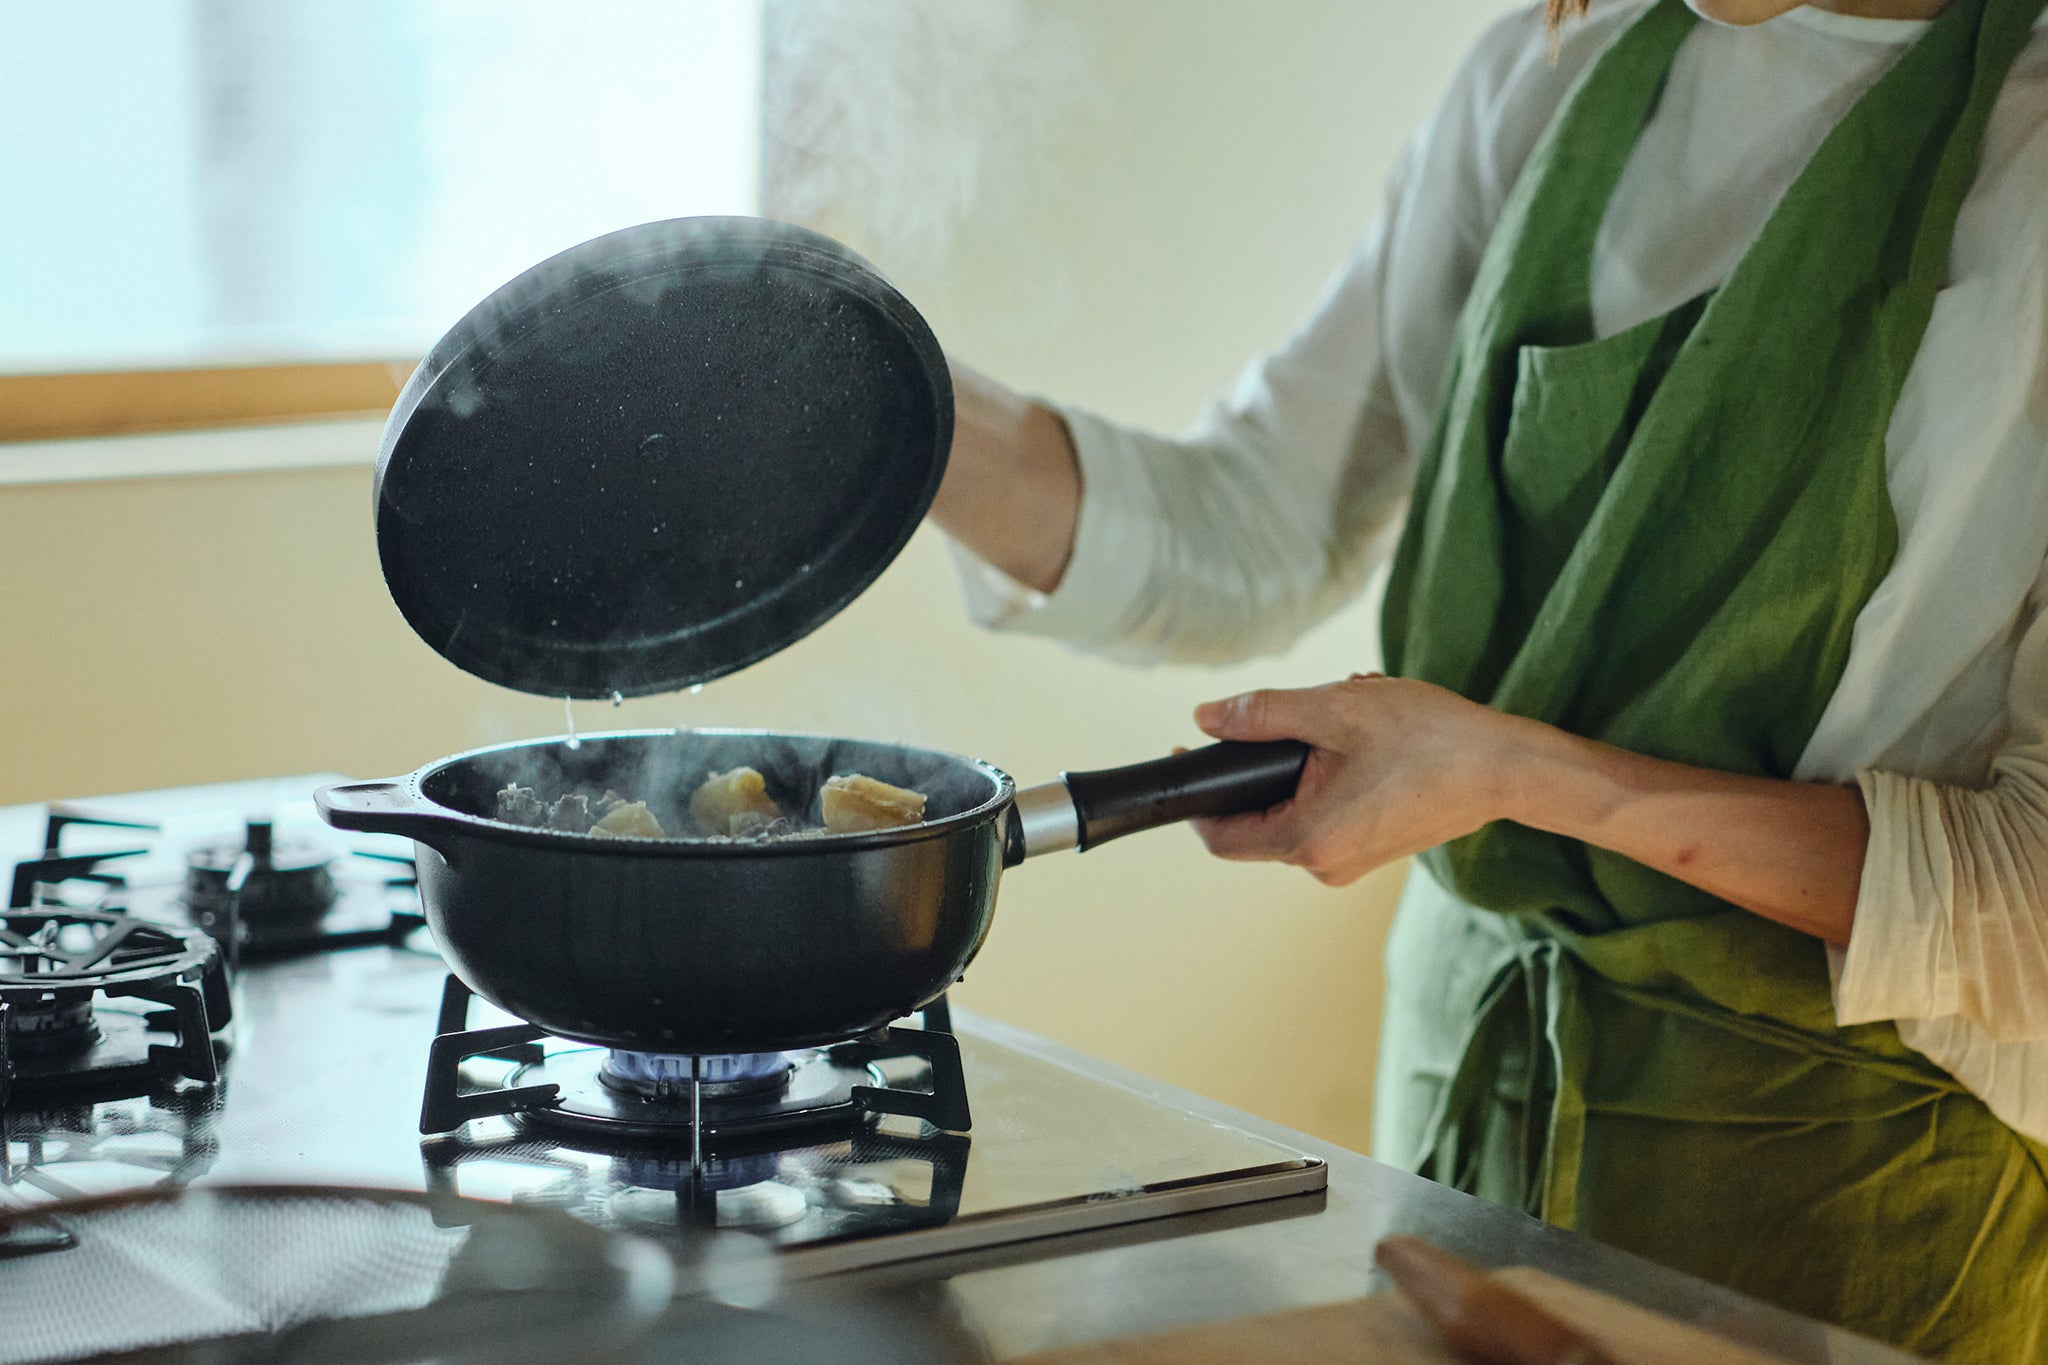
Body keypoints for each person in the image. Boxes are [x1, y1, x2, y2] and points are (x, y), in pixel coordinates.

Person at [928, 0, 2048, 1358]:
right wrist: (886, 409)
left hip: (1833, 1217)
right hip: (1459, 1137)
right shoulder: (1552, 71)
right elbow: (1262, 518)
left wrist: (1514, 769)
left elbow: (2029, 900)